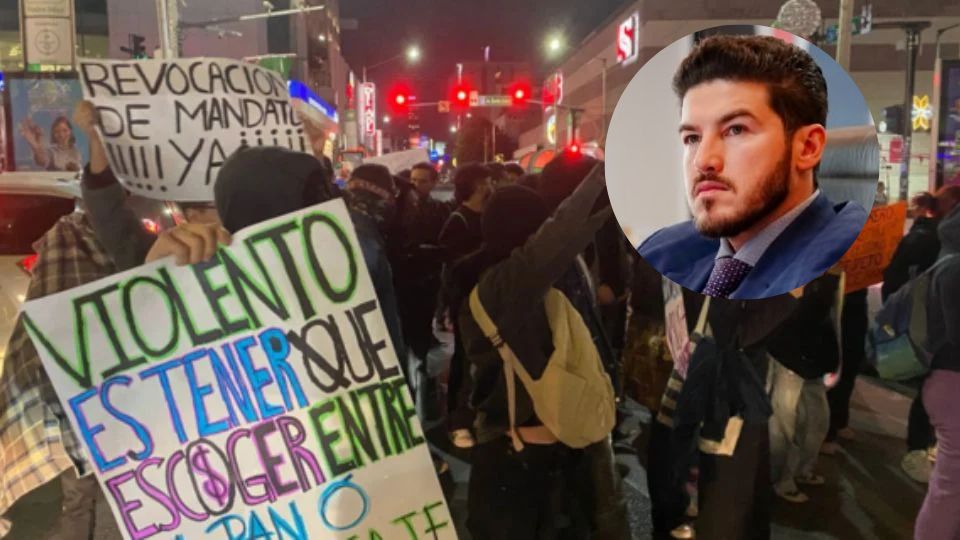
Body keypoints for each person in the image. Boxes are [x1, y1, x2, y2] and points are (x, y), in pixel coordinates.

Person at [459, 165, 630, 539]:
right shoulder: (506, 286)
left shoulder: (506, 284)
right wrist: (611, 171)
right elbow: (565, 229)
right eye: (538, 226)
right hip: (521, 463)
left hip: (532, 457)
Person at [637, 35, 868, 299]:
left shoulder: (837, 261)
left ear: (807, 148)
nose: (703, 160)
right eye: (692, 138)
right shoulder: (662, 252)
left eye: (735, 130)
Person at [1, 202, 125, 540]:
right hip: (125, 388)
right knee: (130, 489)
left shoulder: (61, 241)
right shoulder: (129, 244)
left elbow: (38, 320)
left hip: (74, 389)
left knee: (79, 496)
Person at [883, 191, 944, 483]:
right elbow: (897, 280)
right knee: (932, 388)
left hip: (935, 329)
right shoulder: (930, 240)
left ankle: (928, 445)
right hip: (935, 332)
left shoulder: (932, 238)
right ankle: (918, 449)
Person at [766, 271, 842, 504]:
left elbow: (828, 315)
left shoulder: (831, 273)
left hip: (812, 356)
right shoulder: (794, 265)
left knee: (816, 420)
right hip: (788, 355)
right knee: (784, 424)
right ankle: (780, 480)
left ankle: (802, 469)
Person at [439, 163, 494, 448]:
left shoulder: (490, 216)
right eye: (484, 182)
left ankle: (477, 412)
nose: (489, 186)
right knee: (463, 359)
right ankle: (456, 422)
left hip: (489, 300)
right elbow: (452, 266)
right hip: (466, 303)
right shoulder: (458, 220)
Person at [914, 197, 960, 539]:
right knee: (949, 488)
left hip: (946, 380)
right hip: (952, 381)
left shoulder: (948, 258)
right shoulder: (954, 268)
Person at [19, 115, 83, 172]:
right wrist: (35, 147)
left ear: (70, 131)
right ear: (53, 135)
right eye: (57, 132)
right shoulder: (52, 151)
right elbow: (42, 161)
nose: (61, 135)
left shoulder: (77, 151)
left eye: (65, 130)